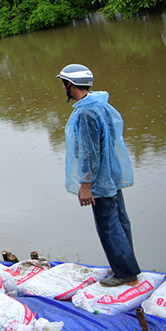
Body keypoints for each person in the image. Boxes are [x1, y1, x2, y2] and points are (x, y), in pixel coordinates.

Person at [57, 63, 141, 287]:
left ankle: (124, 274)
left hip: (99, 180)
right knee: (120, 221)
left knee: (108, 225)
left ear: (70, 85)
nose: (63, 87)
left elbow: (89, 151)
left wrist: (86, 184)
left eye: (64, 84)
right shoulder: (100, 104)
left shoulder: (86, 112)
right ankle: (126, 267)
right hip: (110, 174)